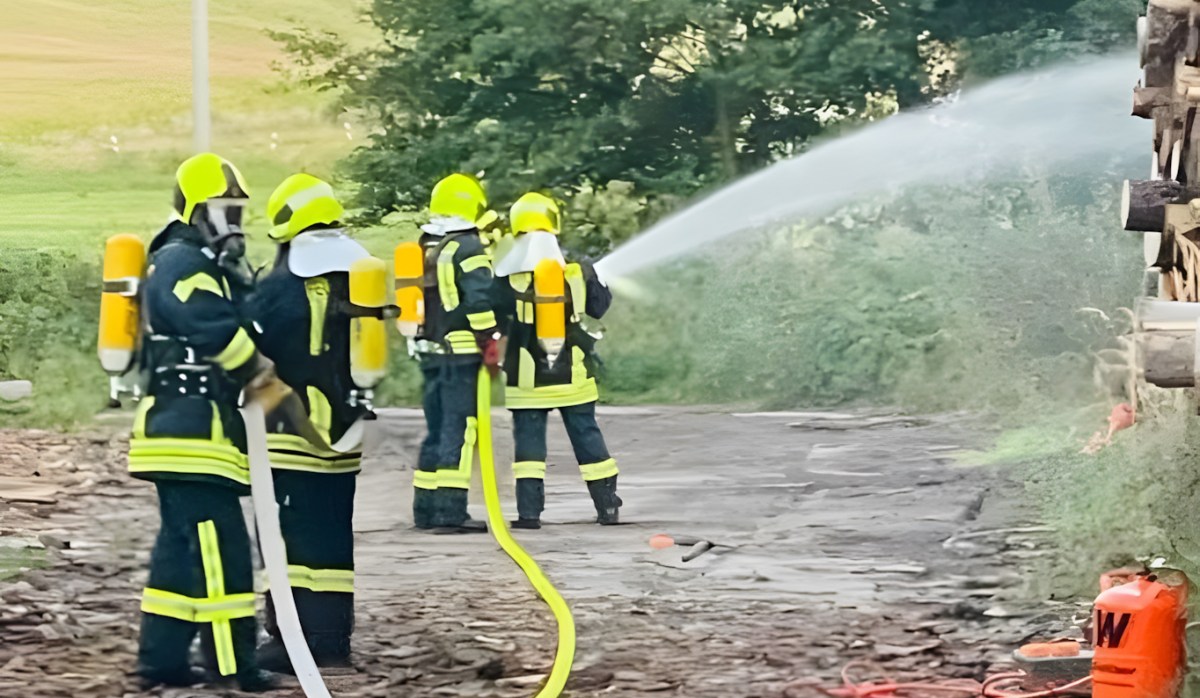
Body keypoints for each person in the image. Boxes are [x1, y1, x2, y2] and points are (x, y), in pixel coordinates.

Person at [128, 153, 277, 691]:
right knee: (222, 553)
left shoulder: (191, 261)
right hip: (192, 433)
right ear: (198, 209)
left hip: (183, 432)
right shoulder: (182, 263)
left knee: (178, 554)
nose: (234, 223)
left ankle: (161, 662)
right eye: (226, 210)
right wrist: (262, 375)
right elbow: (212, 329)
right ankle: (234, 666)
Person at [245, 173, 371, 671]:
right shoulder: (358, 274)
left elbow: (249, 352)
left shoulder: (278, 286)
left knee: (286, 538)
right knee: (332, 536)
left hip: (289, 431)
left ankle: (291, 641)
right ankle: (332, 640)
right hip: (347, 430)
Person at [493, 192, 621, 529]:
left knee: (529, 449)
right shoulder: (578, 272)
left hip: (526, 380)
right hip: (573, 376)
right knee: (587, 437)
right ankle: (607, 505)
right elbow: (599, 307)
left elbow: (490, 314)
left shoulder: (506, 277)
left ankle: (529, 514)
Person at [411, 174, 501, 532]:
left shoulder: (428, 245)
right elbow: (479, 301)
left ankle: (424, 508)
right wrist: (490, 340)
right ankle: (450, 512)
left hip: (431, 353)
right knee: (458, 429)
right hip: (461, 355)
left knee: (434, 429)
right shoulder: (468, 248)